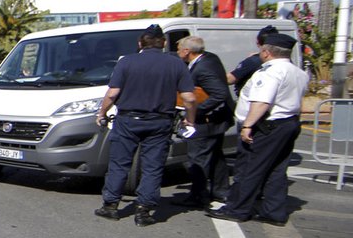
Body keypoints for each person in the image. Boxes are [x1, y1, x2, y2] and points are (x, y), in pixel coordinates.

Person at [94, 24, 197, 227]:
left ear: (140, 43)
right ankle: (144, 210)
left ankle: (111, 205)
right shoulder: (175, 64)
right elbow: (190, 98)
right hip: (160, 121)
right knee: (152, 166)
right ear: (163, 43)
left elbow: (113, 93)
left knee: (119, 163)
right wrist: (190, 120)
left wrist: (102, 112)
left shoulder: (127, 62)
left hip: (128, 120)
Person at [207, 32, 309, 226]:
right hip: (288, 122)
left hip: (266, 125)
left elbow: (262, 101)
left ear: (266, 52)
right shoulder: (298, 71)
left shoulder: (270, 72)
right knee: (276, 170)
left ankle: (237, 209)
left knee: (249, 169)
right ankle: (274, 211)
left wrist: (248, 125)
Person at [172, 36, 234, 207]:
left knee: (197, 158)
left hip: (207, 121)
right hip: (217, 120)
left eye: (179, 49)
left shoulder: (203, 68)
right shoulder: (210, 58)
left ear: (187, 51)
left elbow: (219, 94)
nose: (177, 53)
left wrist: (195, 111)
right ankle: (221, 191)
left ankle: (198, 196)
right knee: (215, 156)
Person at [227, 25, 278, 94]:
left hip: (251, 100)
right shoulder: (286, 62)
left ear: (257, 42)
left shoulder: (253, 61)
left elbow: (230, 79)